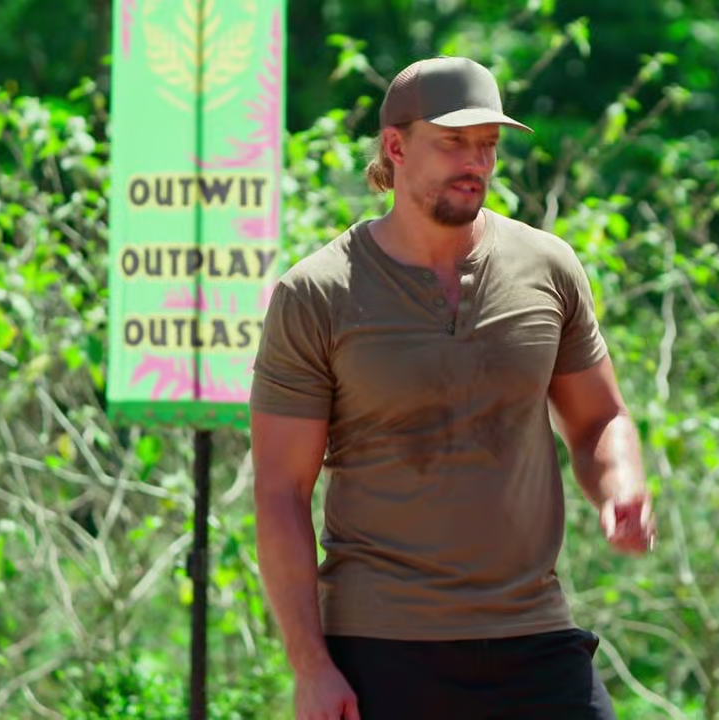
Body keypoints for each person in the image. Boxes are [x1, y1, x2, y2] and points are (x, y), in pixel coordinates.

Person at [250, 55, 656, 720]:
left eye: (487, 144)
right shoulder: (318, 293)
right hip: (383, 649)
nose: (476, 162)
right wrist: (312, 667)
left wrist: (622, 485)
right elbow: (281, 493)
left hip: (534, 637)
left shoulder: (547, 266)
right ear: (396, 146)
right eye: (453, 142)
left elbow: (599, 420)